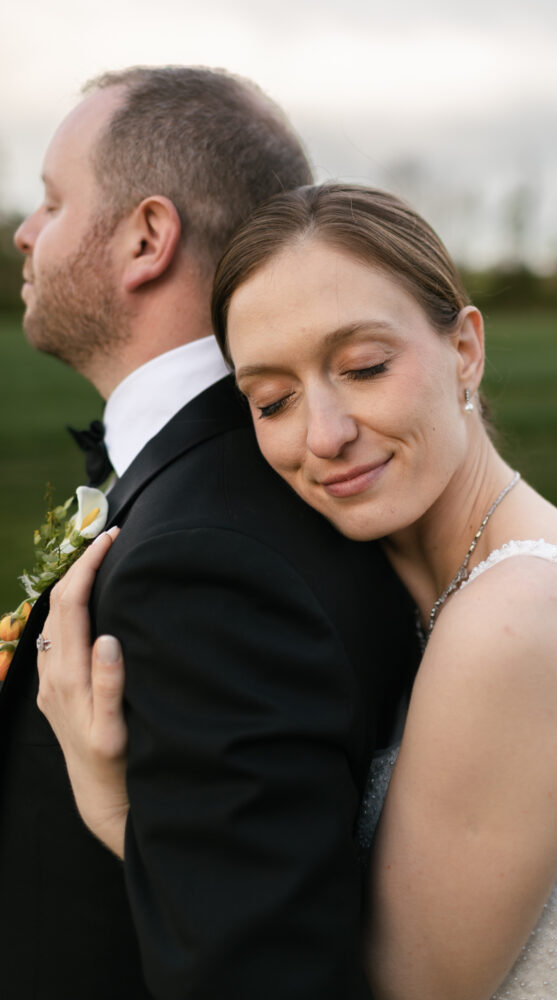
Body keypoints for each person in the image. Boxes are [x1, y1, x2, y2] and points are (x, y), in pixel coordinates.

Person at [38, 183, 557, 999]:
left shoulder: (520, 622)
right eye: (273, 399)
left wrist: (118, 811)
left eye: (364, 367)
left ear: (465, 349)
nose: (324, 435)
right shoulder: (444, 588)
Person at [3, 78, 419, 999]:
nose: (27, 233)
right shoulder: (214, 479)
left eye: (53, 200)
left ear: (147, 239)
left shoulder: (208, 554)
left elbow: (256, 970)